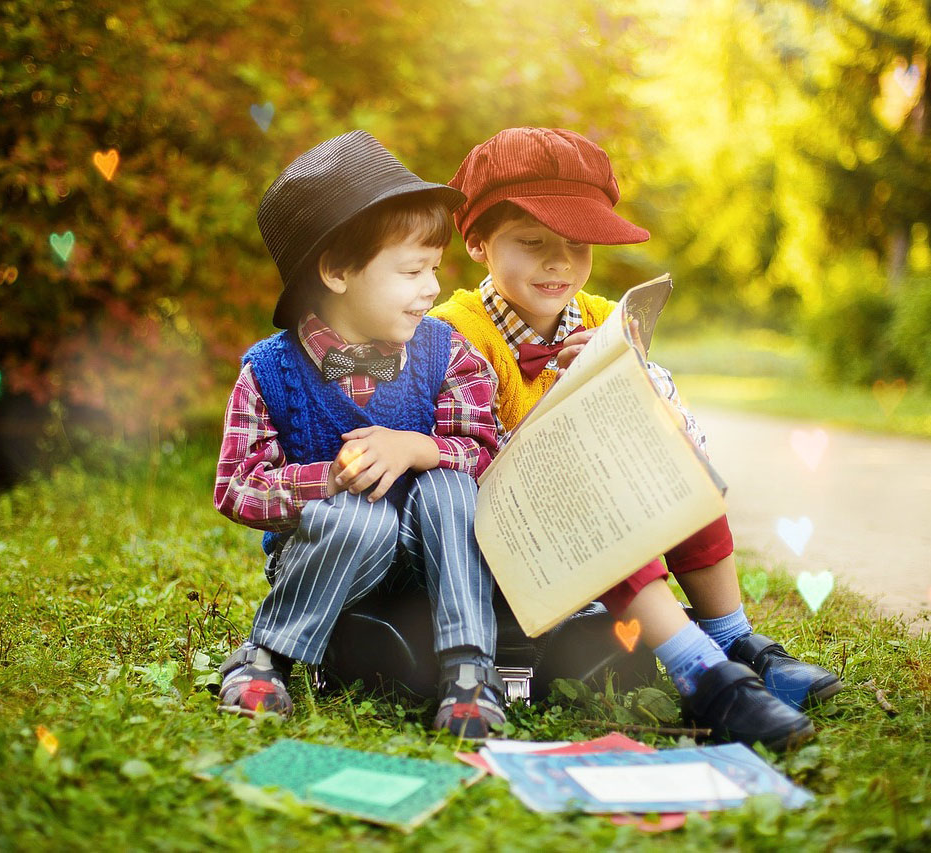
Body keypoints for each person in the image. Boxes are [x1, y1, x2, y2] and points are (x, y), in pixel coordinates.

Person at [431, 127, 841, 751]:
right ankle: (702, 676)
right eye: (532, 242)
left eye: (576, 245)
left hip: (591, 520)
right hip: (502, 534)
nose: (558, 263)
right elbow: (464, 460)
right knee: (596, 497)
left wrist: (628, 383)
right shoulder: (453, 334)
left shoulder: (601, 320)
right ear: (480, 242)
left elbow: (666, 423)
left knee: (680, 467)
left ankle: (733, 637)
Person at [213, 130, 505, 739]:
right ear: (338, 271)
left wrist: (418, 448)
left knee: (449, 487)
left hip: (435, 559)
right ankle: (269, 657)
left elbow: (483, 452)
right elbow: (237, 487)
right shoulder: (270, 371)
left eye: (434, 268)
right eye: (411, 270)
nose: (431, 287)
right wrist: (327, 480)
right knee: (357, 512)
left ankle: (470, 676)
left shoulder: (448, 353)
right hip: (338, 562)